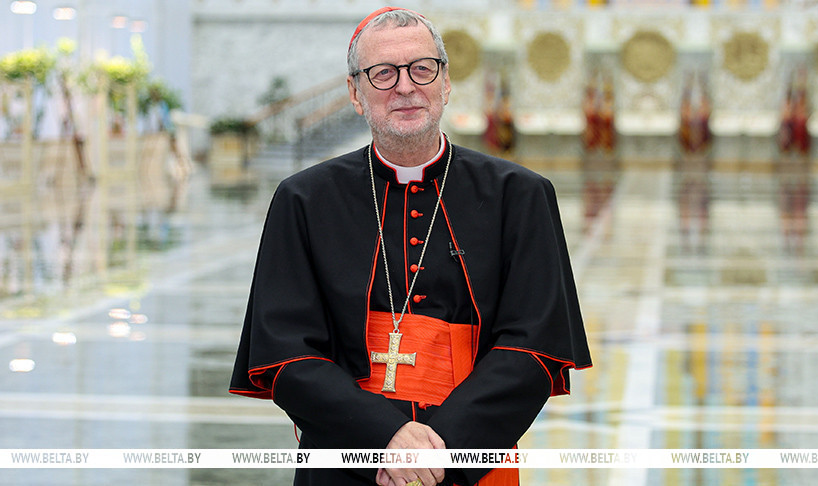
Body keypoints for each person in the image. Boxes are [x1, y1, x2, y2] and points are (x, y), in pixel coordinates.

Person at [230, 7, 592, 486]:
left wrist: (440, 456)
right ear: (355, 94)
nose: (405, 86)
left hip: (472, 464)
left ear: (445, 84)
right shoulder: (303, 200)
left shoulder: (520, 196)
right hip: (346, 464)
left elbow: (536, 349)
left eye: (422, 68)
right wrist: (383, 440)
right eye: (382, 73)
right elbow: (283, 355)